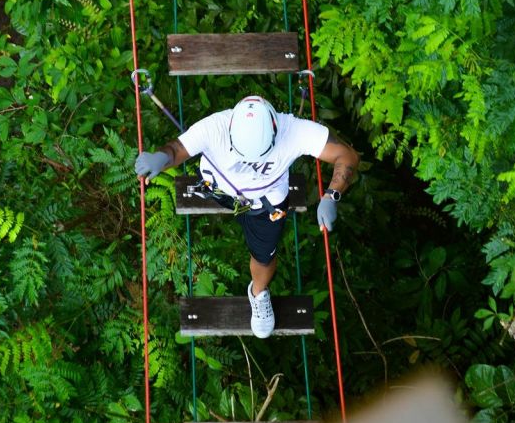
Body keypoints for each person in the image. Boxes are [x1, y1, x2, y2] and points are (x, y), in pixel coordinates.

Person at [134, 95, 360, 338]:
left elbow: (347, 156)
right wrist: (160, 158)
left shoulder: (294, 131)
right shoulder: (215, 127)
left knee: (264, 257)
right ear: (230, 129)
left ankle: (259, 291)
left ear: (275, 132)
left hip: (265, 203)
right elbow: (176, 149)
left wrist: (331, 195)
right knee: (211, 186)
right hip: (219, 188)